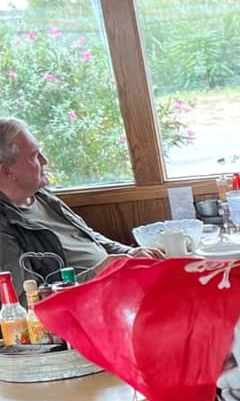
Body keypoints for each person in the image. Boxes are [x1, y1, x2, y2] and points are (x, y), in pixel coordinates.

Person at [0, 118, 146, 297]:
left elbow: (89, 239)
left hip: (116, 284)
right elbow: (25, 301)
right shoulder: (4, 229)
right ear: (7, 171)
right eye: (34, 155)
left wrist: (131, 253)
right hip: (89, 305)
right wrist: (97, 274)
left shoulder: (43, 197)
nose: (44, 160)